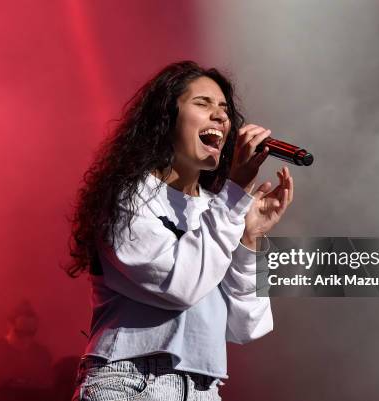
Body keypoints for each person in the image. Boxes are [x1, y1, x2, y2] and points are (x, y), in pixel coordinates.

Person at [67, 61, 294, 401]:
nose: (220, 116)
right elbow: (182, 286)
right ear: (166, 119)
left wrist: (249, 241)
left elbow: (245, 326)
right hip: (131, 382)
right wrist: (233, 195)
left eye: (224, 110)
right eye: (203, 104)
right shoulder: (128, 196)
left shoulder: (218, 209)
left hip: (204, 388)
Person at [0, 300, 53, 401]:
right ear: (9, 325)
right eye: (21, 333)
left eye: (30, 333)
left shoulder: (42, 354)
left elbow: (48, 386)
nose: (26, 339)